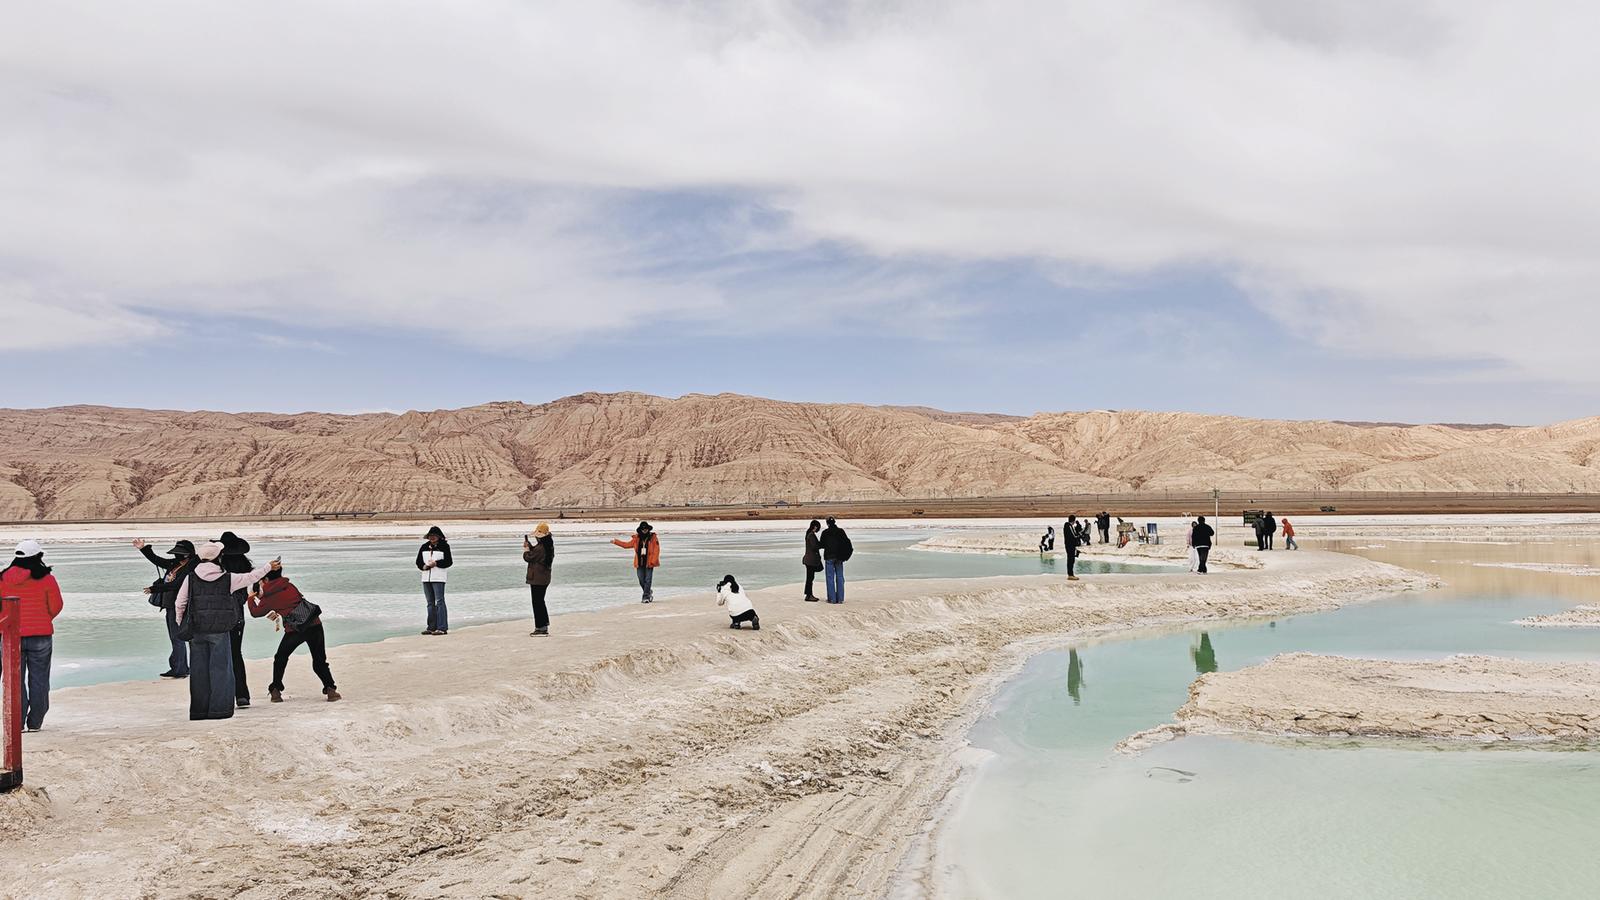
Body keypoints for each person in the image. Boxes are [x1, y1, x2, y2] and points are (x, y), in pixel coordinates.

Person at [175, 543, 277, 721]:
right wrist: (269, 566)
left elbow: (180, 603)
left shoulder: (190, 578)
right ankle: (219, 710)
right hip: (220, 630)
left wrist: (180, 624)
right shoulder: (227, 578)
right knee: (221, 669)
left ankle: (199, 711)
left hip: (197, 630)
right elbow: (251, 577)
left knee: (199, 672)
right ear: (218, 557)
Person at [247, 564, 340, 703]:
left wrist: (250, 598)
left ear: (265, 579)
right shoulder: (289, 585)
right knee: (319, 660)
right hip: (314, 624)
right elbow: (287, 601)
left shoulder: (268, 596)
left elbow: (256, 612)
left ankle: (275, 691)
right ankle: (331, 690)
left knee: (280, 658)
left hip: (295, 629)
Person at [1, 540, 64, 732]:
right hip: (41, 636)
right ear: (38, 557)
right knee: (40, 679)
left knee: (13, 681)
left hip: (11, 636)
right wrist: (44, 619)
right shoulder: (47, 578)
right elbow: (56, 605)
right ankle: (35, 722)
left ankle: (17, 723)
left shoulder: (2, 578)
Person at [136, 538, 195, 679]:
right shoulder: (175, 564)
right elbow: (157, 560)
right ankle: (180, 667)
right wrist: (143, 549)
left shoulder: (191, 567)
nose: (178, 557)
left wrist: (155, 589)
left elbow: (176, 585)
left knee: (178, 637)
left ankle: (180, 669)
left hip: (183, 606)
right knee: (176, 637)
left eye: (181, 555)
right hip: (171, 606)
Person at [215, 531, 258, 707]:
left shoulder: (219, 567)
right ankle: (242, 695)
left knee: (219, 656)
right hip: (238, 615)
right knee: (235, 654)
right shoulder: (245, 568)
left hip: (219, 615)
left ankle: (222, 695)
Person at [612, 522, 661, 603]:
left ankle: (646, 597)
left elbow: (656, 550)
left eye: (646, 529)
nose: (644, 530)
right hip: (639, 563)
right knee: (641, 580)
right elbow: (626, 545)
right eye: (643, 529)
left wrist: (653, 561)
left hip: (649, 563)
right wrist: (615, 541)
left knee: (648, 580)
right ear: (640, 530)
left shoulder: (653, 538)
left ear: (648, 529)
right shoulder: (636, 539)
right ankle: (648, 592)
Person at [416, 526, 452, 634]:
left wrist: (436, 563)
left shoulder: (444, 547)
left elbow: (449, 562)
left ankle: (442, 628)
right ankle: (431, 627)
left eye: (434, 536)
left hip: (439, 578)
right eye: (430, 536)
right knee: (430, 603)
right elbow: (418, 562)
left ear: (439, 537)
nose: (432, 538)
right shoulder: (424, 547)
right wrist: (424, 567)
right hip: (426, 578)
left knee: (439, 602)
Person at [524, 523, 554, 635]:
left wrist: (526, 549)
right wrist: (531, 547)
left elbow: (529, 557)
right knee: (540, 602)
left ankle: (541, 627)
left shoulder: (541, 548)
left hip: (538, 578)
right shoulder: (547, 545)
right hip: (543, 578)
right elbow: (535, 553)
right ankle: (543, 625)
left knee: (537, 603)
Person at [819, 516, 853, 603]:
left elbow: (822, 544)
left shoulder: (825, 532)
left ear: (827, 523)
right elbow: (846, 542)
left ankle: (832, 599)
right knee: (840, 577)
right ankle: (840, 599)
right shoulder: (841, 531)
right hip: (839, 557)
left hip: (829, 557)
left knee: (830, 578)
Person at [802, 520, 823, 601]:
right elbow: (815, 547)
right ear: (815, 527)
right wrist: (822, 545)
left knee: (810, 578)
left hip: (809, 559)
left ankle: (808, 594)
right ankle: (809, 595)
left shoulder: (809, 534)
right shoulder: (811, 535)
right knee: (810, 578)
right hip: (811, 560)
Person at [1063, 515, 1082, 581]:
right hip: (1070, 545)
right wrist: (1079, 536)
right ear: (1073, 520)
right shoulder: (1069, 526)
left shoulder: (1068, 526)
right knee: (1071, 559)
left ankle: (1071, 574)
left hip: (1070, 544)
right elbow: (1073, 535)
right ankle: (1070, 575)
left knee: (1071, 559)